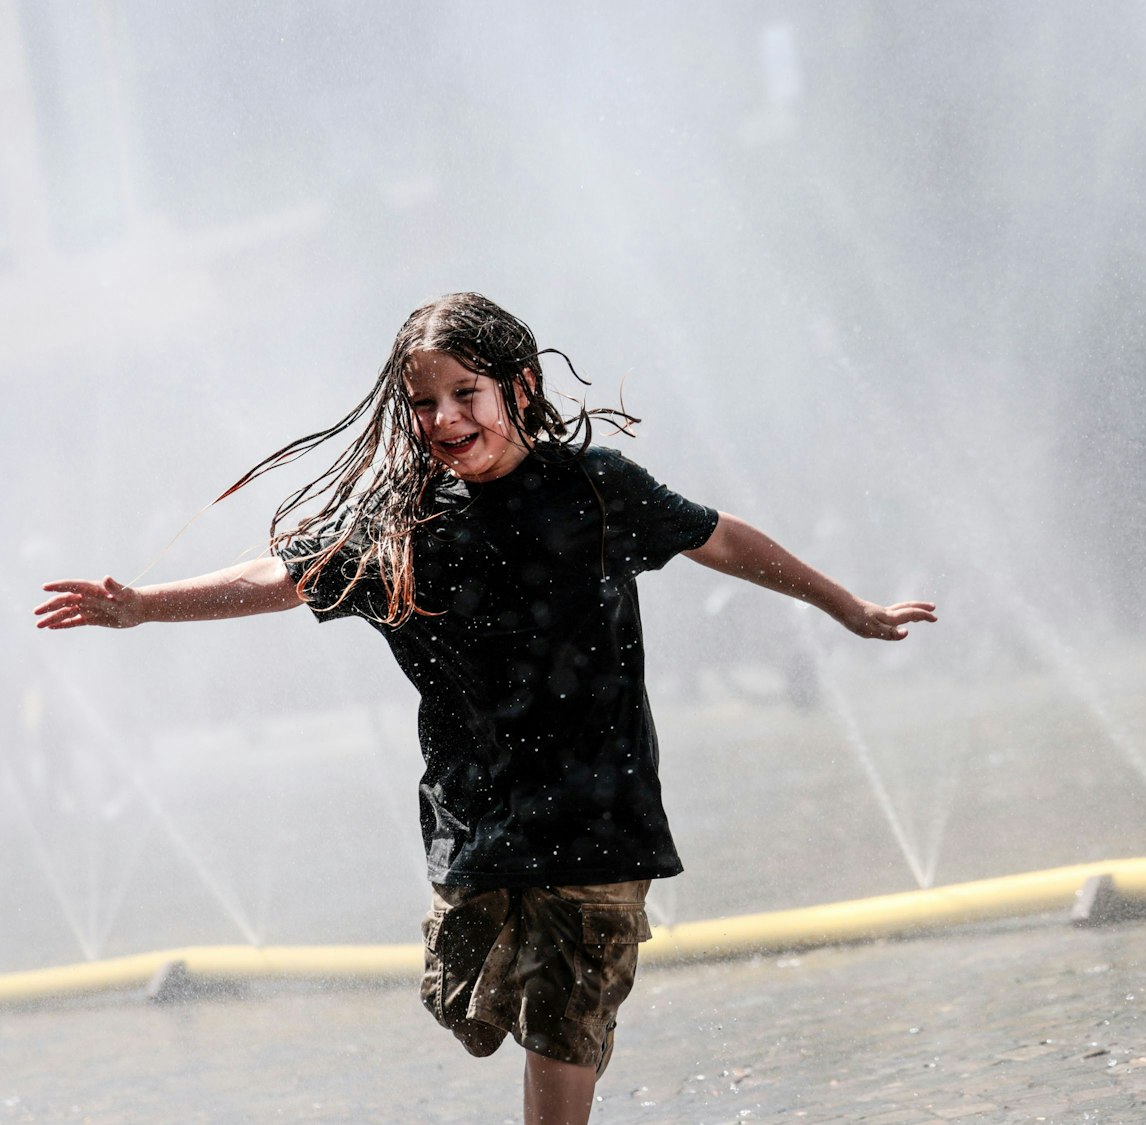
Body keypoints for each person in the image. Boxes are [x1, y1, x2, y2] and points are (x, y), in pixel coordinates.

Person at [32, 292, 937, 1125]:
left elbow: (719, 534)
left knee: (566, 1020)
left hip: (601, 813)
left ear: (521, 386)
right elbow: (287, 575)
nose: (444, 421)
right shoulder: (406, 519)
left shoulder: (595, 488)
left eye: (466, 394)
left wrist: (848, 608)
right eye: (424, 405)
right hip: (481, 818)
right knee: (467, 1001)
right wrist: (146, 605)